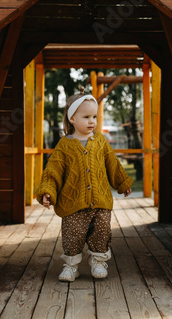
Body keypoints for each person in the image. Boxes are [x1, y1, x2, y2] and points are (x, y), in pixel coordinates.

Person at [36, 89, 133, 282]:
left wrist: (122, 182)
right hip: (73, 203)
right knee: (72, 235)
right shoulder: (64, 145)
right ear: (72, 118)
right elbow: (53, 171)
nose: (92, 121)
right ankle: (71, 266)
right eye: (86, 116)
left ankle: (98, 261)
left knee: (102, 231)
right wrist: (47, 191)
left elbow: (112, 163)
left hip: (100, 200)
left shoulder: (100, 142)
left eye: (94, 116)